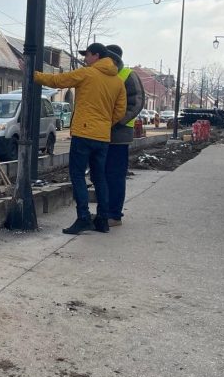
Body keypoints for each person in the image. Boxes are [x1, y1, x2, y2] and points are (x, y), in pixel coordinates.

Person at [34, 43, 127, 235]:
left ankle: (83, 217)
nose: (85, 58)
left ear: (97, 55)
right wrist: (104, 123)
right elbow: (120, 111)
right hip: (102, 137)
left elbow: (58, 81)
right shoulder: (117, 81)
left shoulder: (87, 73)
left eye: (88, 55)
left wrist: (33, 74)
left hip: (83, 135)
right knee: (99, 177)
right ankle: (102, 219)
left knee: (77, 175)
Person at [103, 45, 144, 227]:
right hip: (101, 133)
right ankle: (106, 212)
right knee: (102, 174)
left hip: (119, 135)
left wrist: (117, 120)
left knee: (115, 175)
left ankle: (114, 214)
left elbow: (136, 103)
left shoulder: (128, 75)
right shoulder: (102, 74)